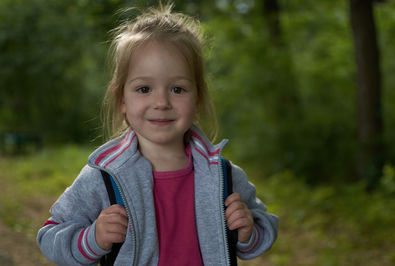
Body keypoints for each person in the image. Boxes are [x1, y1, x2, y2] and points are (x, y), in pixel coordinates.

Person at [37, 3, 278, 265]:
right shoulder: (104, 177)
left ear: (197, 99)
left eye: (177, 89)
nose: (161, 102)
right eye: (144, 89)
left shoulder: (223, 176)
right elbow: (50, 236)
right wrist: (93, 238)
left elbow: (263, 228)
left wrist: (247, 230)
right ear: (122, 100)